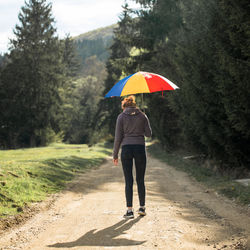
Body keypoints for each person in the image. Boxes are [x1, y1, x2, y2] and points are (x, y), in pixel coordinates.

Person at [113, 95, 152, 219]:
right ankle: (142, 208)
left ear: (124, 106)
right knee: (140, 179)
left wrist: (115, 154)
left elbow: (118, 138)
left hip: (126, 149)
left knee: (128, 180)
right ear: (134, 105)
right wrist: (145, 120)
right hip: (140, 148)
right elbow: (149, 134)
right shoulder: (142, 116)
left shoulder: (121, 117)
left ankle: (129, 211)